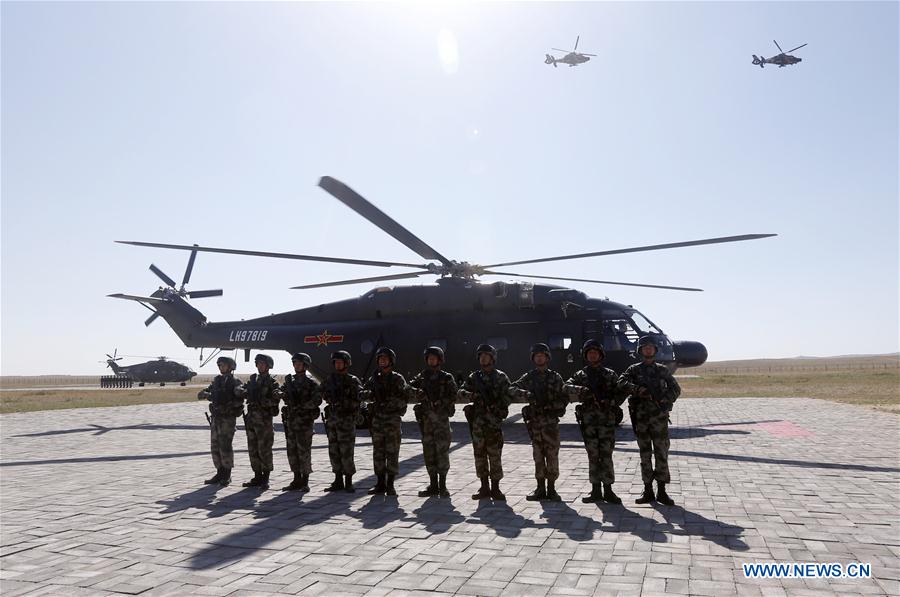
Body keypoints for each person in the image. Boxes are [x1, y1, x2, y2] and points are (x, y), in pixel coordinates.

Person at [565, 339, 634, 504]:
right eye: (589, 353)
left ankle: (608, 490)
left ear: (600, 355)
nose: (592, 355)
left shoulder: (610, 374)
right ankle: (595, 490)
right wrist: (581, 390)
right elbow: (565, 386)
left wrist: (611, 402)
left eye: (595, 353)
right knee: (593, 455)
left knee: (606, 455)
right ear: (585, 355)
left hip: (606, 421)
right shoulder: (581, 375)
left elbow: (622, 391)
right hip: (588, 422)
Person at [619, 336, 681, 506]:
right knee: (645, 455)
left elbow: (676, 389)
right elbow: (621, 382)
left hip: (659, 420)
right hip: (641, 420)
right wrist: (637, 389)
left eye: (650, 347)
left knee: (661, 454)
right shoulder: (633, 370)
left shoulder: (662, 370)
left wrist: (665, 400)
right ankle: (648, 490)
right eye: (645, 347)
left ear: (655, 350)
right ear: (640, 350)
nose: (648, 349)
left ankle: (662, 491)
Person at [512, 343, 569, 502]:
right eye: (536, 356)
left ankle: (551, 489)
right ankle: (540, 488)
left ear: (547, 358)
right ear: (533, 358)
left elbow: (564, 397)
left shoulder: (555, 377)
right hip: (535, 424)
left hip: (550, 423)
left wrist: (551, 406)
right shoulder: (529, 377)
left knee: (552, 456)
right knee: (538, 456)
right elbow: (512, 388)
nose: (539, 358)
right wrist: (526, 394)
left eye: (542, 355)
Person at [459, 344, 513, 501]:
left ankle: (495, 488)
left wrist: (497, 405)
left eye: (486, 356)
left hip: (493, 424)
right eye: (481, 356)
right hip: (478, 423)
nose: (483, 358)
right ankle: (484, 487)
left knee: (495, 455)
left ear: (492, 358)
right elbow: (461, 391)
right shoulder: (474, 377)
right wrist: (472, 396)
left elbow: (508, 395)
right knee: (479, 455)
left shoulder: (501, 377)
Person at [409, 346, 457, 498]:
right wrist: (418, 392)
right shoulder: (422, 376)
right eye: (429, 358)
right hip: (427, 422)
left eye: (434, 358)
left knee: (442, 453)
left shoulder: (446, 377)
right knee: (428, 453)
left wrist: (440, 402)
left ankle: (443, 486)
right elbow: (408, 387)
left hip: (441, 422)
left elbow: (453, 394)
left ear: (440, 360)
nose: (431, 360)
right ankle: (433, 485)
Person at [362, 347, 410, 496]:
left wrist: (388, 402)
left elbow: (404, 398)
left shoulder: (397, 378)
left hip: (392, 420)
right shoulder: (374, 378)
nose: (382, 361)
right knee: (378, 453)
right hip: (377, 421)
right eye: (380, 359)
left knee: (392, 452)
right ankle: (380, 483)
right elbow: (363, 393)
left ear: (391, 361)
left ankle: (390, 484)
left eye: (385, 358)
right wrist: (370, 395)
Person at [197, 356, 245, 486]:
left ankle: (227, 475)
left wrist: (229, 404)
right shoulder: (217, 381)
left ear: (230, 367)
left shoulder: (235, 381)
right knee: (215, 446)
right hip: (216, 418)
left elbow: (240, 397)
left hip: (227, 419)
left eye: (223, 365)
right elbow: (204, 393)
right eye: (219, 365)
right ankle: (219, 472)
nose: (221, 367)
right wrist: (206, 394)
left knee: (225, 446)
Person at [321, 350, 362, 493]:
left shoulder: (353, 380)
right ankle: (338, 480)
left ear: (346, 363)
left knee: (346, 451)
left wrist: (344, 402)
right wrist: (328, 397)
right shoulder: (330, 379)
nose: (338, 365)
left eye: (340, 362)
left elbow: (359, 400)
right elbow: (320, 391)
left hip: (346, 421)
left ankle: (348, 481)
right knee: (334, 451)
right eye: (336, 362)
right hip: (333, 420)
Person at [279, 352, 321, 492]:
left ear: (305, 365)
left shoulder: (311, 383)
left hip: (305, 423)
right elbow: (281, 392)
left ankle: (305, 481)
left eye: (300, 363)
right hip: (291, 422)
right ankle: (296, 479)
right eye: (295, 363)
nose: (297, 366)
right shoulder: (290, 382)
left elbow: (317, 400)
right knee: (292, 452)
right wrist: (280, 394)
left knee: (304, 452)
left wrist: (303, 405)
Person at [242, 354, 281, 489]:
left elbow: (275, 400)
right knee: (252, 449)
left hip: (264, 422)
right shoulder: (253, 380)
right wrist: (242, 391)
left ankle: (266, 477)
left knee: (264, 449)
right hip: (251, 420)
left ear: (268, 366)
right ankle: (257, 476)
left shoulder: (272, 382)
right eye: (258, 363)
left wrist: (261, 400)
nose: (260, 366)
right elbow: (244, 390)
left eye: (262, 363)